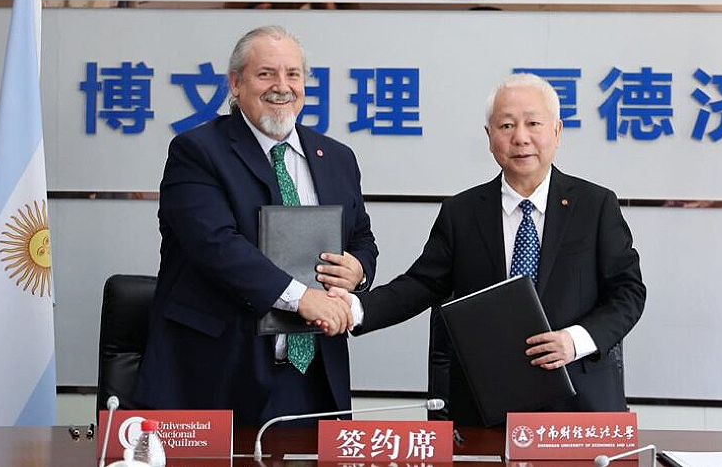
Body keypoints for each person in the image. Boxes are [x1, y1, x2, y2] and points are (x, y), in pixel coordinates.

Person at [340, 73, 645, 426]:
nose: (521, 138)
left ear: (557, 131)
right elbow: (420, 285)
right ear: (489, 136)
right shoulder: (462, 212)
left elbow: (628, 292)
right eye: (506, 125)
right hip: (487, 406)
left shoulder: (595, 205)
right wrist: (355, 309)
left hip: (578, 407)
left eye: (533, 123)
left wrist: (574, 341)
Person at [133, 25, 377, 425]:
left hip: (313, 376)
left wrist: (359, 268)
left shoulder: (337, 157)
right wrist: (302, 298)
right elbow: (216, 246)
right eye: (266, 74)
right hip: (221, 374)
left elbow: (361, 235)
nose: (282, 86)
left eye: (293, 74)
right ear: (235, 84)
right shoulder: (197, 152)